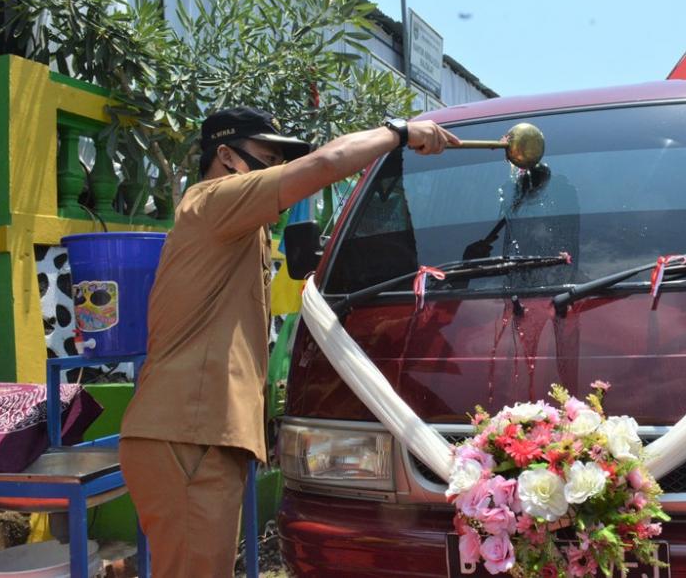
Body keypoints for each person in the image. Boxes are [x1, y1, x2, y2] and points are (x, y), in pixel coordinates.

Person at [119, 107, 459, 576]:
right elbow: (325, 164)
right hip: (187, 438)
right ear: (227, 157)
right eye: (267, 158)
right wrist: (399, 133)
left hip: (195, 439)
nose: (277, 171)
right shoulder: (213, 200)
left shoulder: (241, 230)